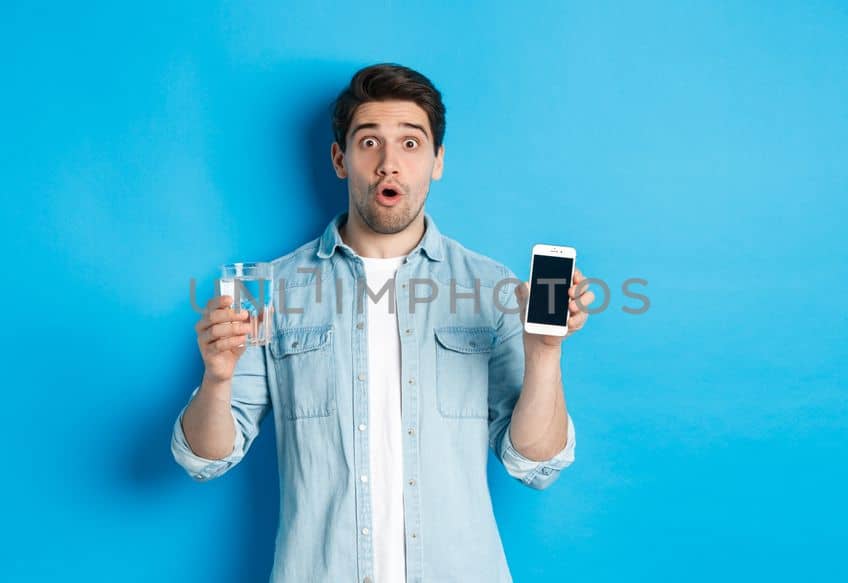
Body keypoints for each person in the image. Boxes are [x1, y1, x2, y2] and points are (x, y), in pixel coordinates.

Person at [172, 63, 595, 582]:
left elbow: (536, 465)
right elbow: (205, 459)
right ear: (339, 158)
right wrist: (216, 379)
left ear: (437, 161)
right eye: (369, 142)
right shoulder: (273, 289)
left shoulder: (493, 287)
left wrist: (545, 352)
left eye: (411, 144)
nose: (389, 163)